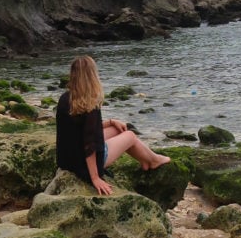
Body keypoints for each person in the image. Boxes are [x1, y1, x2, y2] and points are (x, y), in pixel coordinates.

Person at [55, 55, 170, 195]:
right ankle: (153, 160)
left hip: (67, 159)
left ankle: (145, 160)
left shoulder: (65, 98)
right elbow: (89, 144)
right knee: (130, 135)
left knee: (116, 128)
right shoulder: (90, 104)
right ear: (92, 76)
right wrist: (95, 177)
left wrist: (110, 122)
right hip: (84, 164)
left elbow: (80, 129)